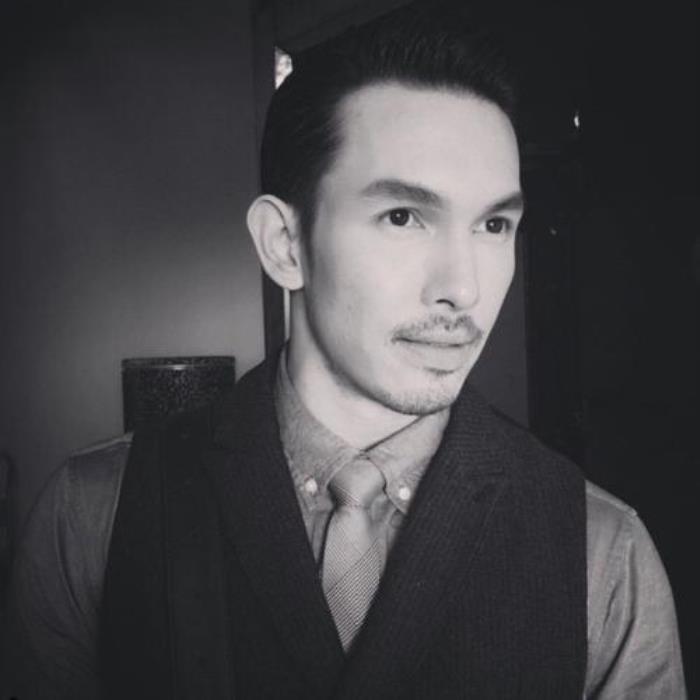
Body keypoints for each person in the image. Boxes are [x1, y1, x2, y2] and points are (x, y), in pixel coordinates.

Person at [3, 6, 686, 699]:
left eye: (494, 224)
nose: (465, 288)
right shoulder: (93, 515)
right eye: (403, 217)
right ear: (284, 244)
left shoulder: (604, 549)